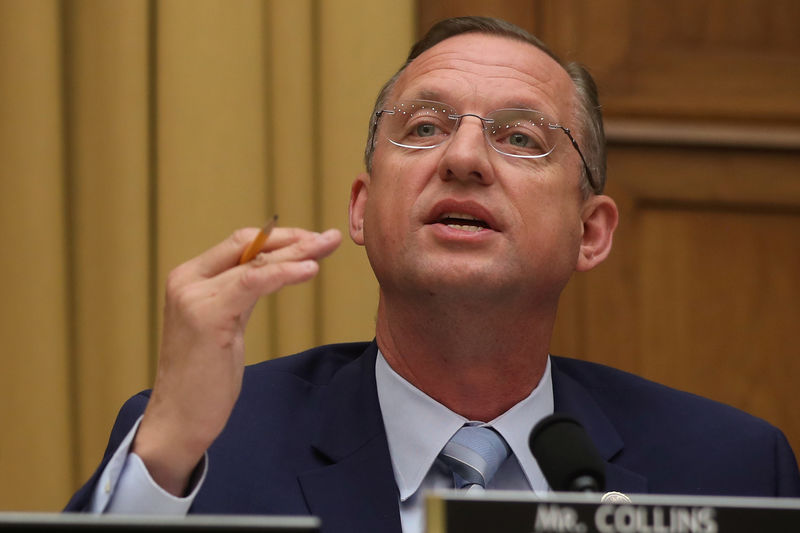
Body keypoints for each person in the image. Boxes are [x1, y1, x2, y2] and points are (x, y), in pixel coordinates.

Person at [65, 16, 800, 533]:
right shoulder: (203, 446)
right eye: (424, 127)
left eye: (520, 137)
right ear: (361, 209)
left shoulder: (728, 465)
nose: (463, 158)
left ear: (591, 231)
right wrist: (165, 453)